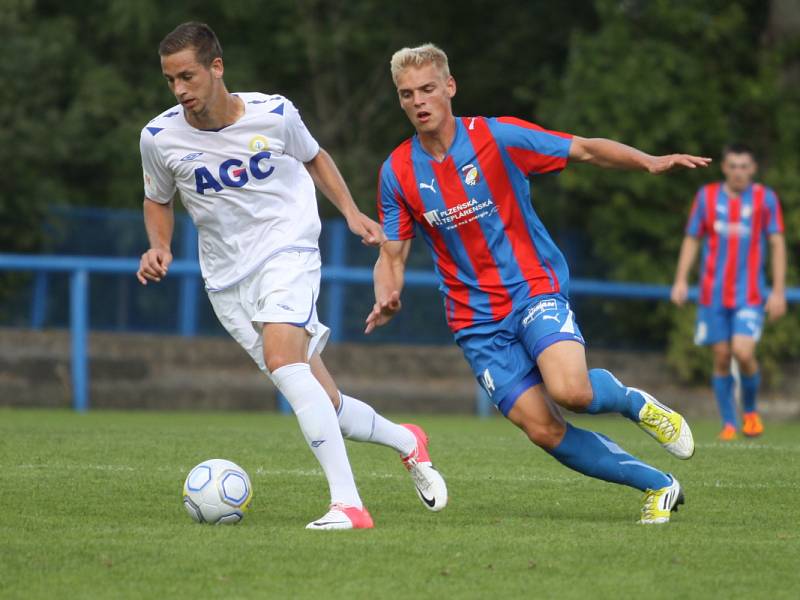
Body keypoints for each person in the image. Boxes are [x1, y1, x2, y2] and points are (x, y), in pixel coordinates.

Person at [367, 43, 710, 524]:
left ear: (450, 87)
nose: (418, 101)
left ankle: (635, 402)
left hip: (532, 287)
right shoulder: (396, 172)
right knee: (544, 429)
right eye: (407, 94)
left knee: (570, 390)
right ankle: (659, 485)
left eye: (427, 88)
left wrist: (648, 161)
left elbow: (586, 149)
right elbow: (393, 251)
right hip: (474, 320)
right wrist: (388, 291)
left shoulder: (497, 137)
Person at [136, 23, 447, 531]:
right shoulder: (159, 137)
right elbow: (157, 198)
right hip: (228, 281)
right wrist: (160, 245)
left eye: (188, 76)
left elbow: (315, 158)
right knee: (322, 399)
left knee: (285, 363)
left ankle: (349, 505)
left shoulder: (275, 113)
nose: (180, 90)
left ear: (217, 68)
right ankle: (407, 441)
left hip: (288, 250)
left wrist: (349, 212)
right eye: (171, 80)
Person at [671, 144, 786, 440]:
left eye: (744, 166)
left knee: (743, 352)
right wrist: (681, 279)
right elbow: (692, 239)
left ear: (753, 169)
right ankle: (729, 424)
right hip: (713, 295)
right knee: (721, 356)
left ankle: (749, 412)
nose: (738, 172)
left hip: (749, 294)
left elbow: (776, 243)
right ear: (724, 168)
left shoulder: (765, 199)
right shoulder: (706, 197)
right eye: (733, 166)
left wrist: (778, 291)